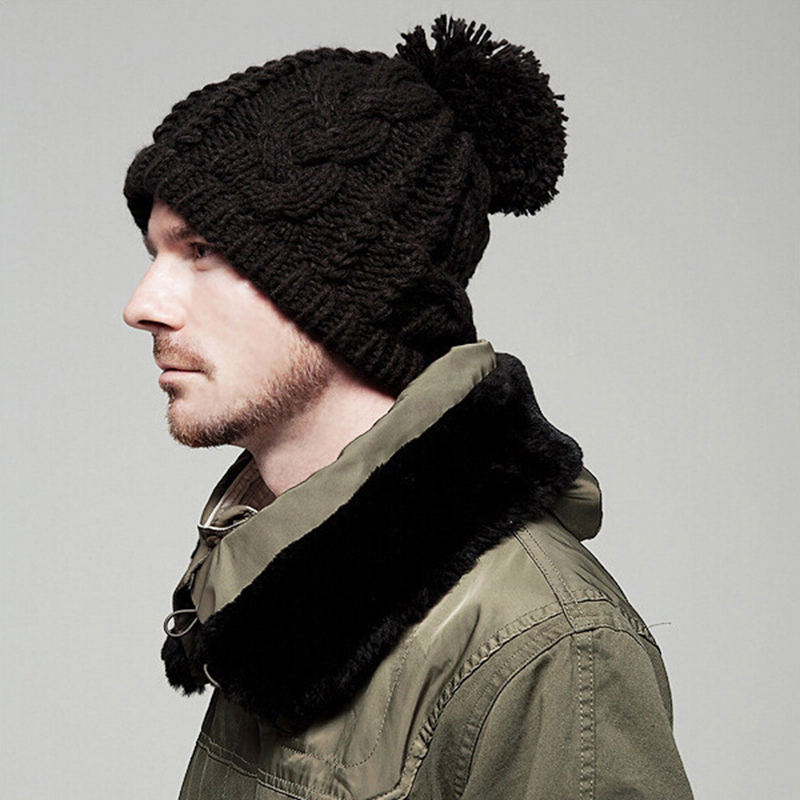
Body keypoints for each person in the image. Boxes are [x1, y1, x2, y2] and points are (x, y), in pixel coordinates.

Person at [123, 16, 694, 800]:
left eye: (201, 251)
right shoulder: (277, 590)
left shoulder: (547, 643)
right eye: (154, 253)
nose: (142, 305)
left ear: (346, 289)